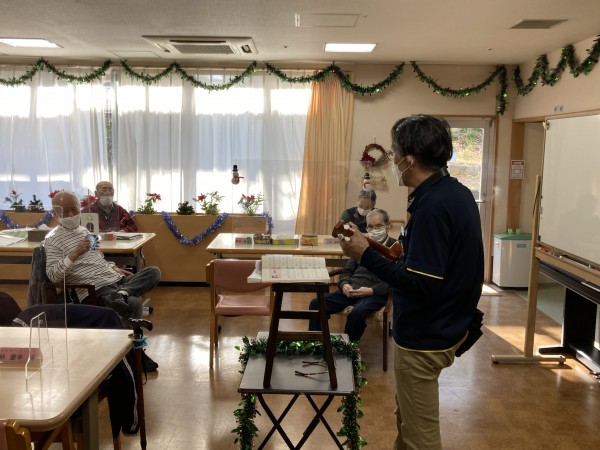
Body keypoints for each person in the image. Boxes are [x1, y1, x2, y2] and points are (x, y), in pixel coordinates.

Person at [338, 115, 483, 450]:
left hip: (426, 335)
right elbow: (425, 263)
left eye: (394, 152)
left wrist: (365, 254)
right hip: (444, 324)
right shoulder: (455, 193)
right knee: (407, 422)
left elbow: (421, 283)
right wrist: (372, 247)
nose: (392, 160)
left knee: (420, 438)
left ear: (410, 159)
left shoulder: (433, 206)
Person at [45, 191, 161, 369]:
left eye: (74, 209)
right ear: (55, 213)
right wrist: (75, 253)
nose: (71, 215)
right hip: (94, 287)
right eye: (65, 211)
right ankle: (136, 354)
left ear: (80, 208)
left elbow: (97, 257)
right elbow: (53, 275)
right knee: (134, 303)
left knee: (153, 271)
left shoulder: (84, 230)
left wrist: (113, 267)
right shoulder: (52, 240)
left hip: (114, 279)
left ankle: (123, 293)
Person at [308, 209, 396, 342]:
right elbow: (347, 270)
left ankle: (347, 348)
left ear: (388, 226)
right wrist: (345, 284)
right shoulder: (361, 244)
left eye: (378, 226)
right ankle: (315, 344)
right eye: (370, 227)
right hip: (350, 291)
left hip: (374, 294)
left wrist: (372, 290)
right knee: (316, 304)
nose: (374, 230)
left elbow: (395, 279)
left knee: (357, 313)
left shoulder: (395, 249)